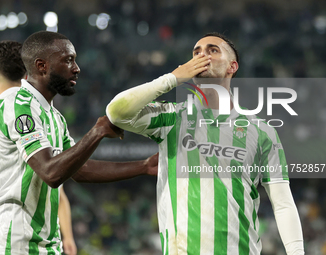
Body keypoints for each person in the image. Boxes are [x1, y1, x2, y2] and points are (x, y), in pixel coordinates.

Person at [107, 32, 304, 255]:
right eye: (196, 52)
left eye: (212, 50)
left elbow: (283, 203)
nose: (202, 56)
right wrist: (172, 78)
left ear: (232, 66)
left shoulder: (261, 132)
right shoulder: (172, 118)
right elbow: (116, 112)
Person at [0, 32, 157, 255]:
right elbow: (51, 173)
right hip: (12, 242)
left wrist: (144, 166)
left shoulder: (55, 117)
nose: (76, 68)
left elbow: (80, 169)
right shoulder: (18, 106)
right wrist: (97, 132)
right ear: (42, 66)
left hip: (45, 243)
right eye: (68, 60)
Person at [0, 40, 77, 255]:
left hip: (9, 239)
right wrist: (68, 236)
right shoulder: (51, 117)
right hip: (39, 240)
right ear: (28, 74)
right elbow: (60, 187)